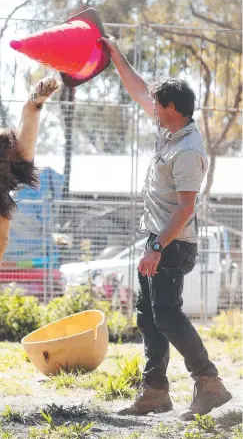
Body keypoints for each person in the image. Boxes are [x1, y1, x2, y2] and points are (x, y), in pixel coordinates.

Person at [99, 35, 232, 420]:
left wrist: (156, 246)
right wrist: (115, 54)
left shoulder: (188, 149)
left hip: (172, 244)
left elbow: (187, 208)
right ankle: (155, 392)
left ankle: (209, 383)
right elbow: (140, 88)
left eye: (158, 105)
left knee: (167, 314)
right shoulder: (168, 128)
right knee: (149, 315)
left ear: (171, 108)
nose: (151, 108)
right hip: (156, 240)